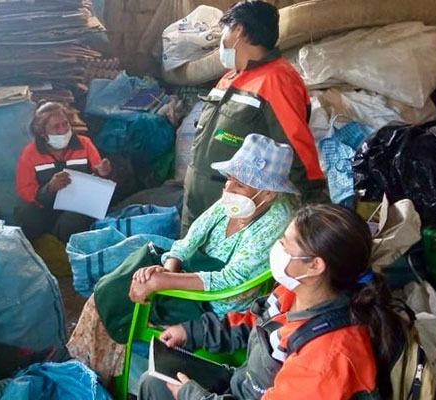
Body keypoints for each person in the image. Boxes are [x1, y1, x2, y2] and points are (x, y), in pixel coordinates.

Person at [67, 134, 297, 380]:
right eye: (229, 179)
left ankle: (94, 373)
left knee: (116, 299)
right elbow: (189, 240)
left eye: (239, 184)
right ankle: (91, 366)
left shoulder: (276, 222)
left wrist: (164, 282)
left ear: (269, 193)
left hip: (214, 303)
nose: (228, 189)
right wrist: (169, 269)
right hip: (190, 274)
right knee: (113, 287)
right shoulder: (235, 201)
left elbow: (231, 280)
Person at [138, 204, 407, 400]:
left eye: (285, 245)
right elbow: (253, 322)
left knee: (160, 387)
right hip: (247, 387)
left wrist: (193, 397)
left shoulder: (327, 359)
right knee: (153, 382)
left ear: (315, 266)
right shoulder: (296, 292)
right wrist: (192, 332)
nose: (276, 251)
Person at [182, 0, 326, 236]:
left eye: (224, 30)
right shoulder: (228, 79)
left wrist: (313, 204)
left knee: (221, 268)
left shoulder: (277, 81)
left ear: (237, 30)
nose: (222, 39)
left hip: (235, 207)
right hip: (197, 200)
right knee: (183, 258)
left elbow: (297, 147)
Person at [14, 101, 113, 242]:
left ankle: (68, 251)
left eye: (65, 124)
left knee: (71, 221)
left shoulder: (85, 144)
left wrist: (102, 174)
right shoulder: (30, 153)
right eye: (56, 127)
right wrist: (49, 189)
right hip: (46, 209)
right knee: (25, 214)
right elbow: (25, 190)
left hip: (79, 208)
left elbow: (99, 183)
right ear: (42, 132)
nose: (63, 130)